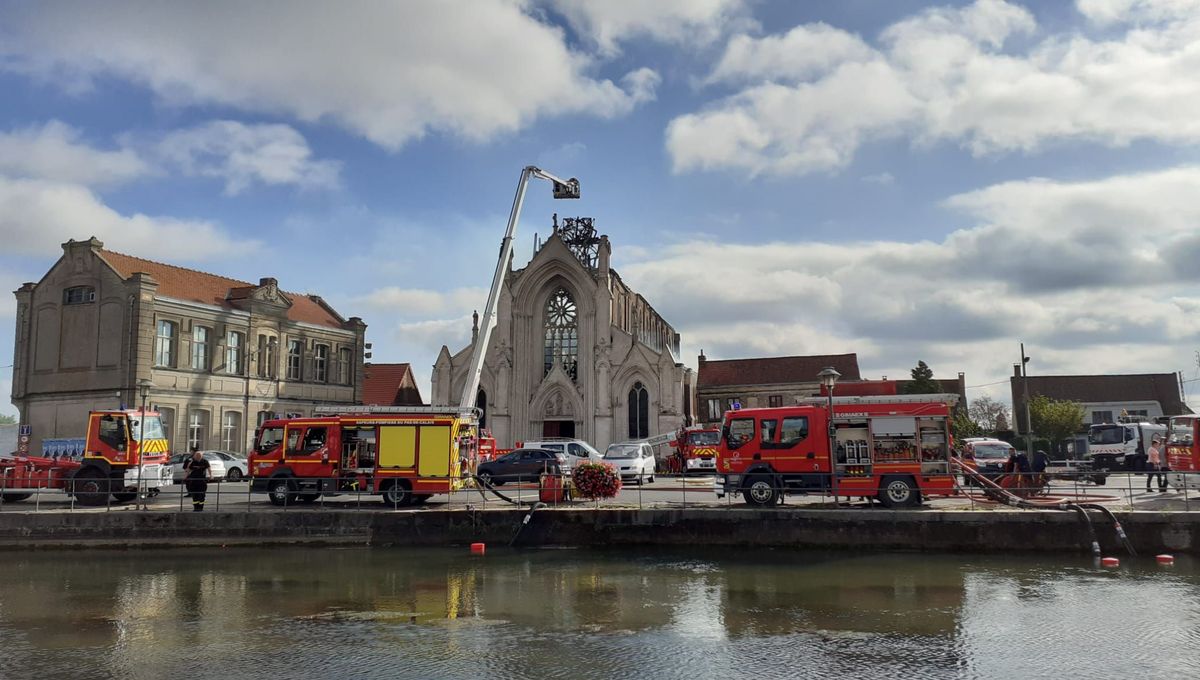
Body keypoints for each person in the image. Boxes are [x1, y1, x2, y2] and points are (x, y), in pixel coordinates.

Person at [182, 447, 212, 511]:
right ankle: (196, 508)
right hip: (194, 481)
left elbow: (209, 469)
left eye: (199, 456)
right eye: (197, 456)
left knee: (202, 495)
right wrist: (185, 477)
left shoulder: (205, 461)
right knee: (195, 495)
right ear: (195, 456)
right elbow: (188, 470)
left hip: (202, 481)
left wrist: (211, 475)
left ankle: (201, 508)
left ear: (201, 456)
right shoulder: (193, 462)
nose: (198, 458)